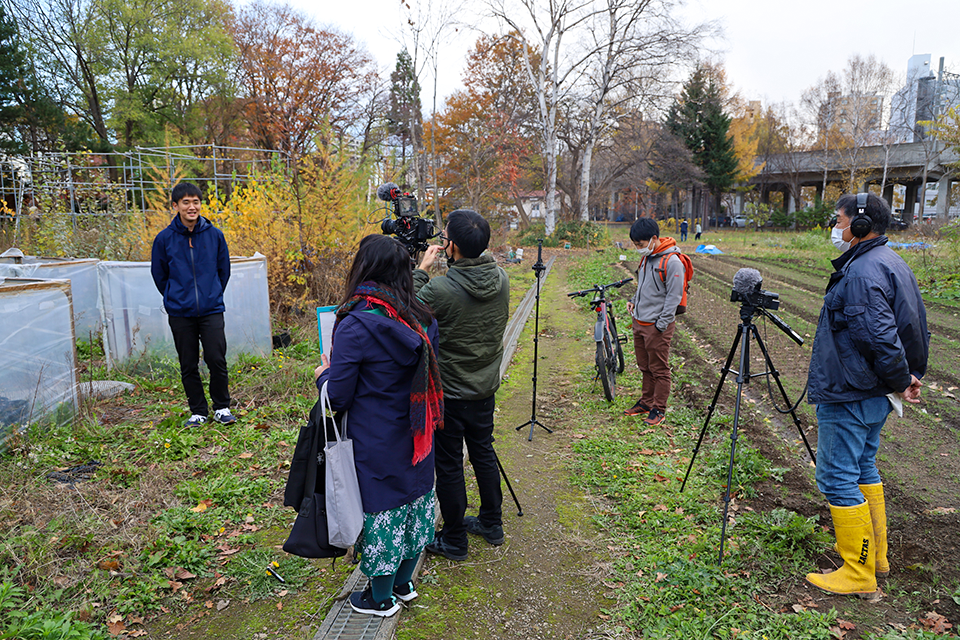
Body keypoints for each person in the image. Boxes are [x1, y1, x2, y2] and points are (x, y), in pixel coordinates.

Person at [805, 193, 928, 597]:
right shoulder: (891, 261)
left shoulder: (861, 272)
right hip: (873, 393)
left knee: (837, 477)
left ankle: (858, 574)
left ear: (859, 226)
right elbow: (914, 328)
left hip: (851, 392)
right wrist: (907, 376)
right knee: (863, 469)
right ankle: (876, 558)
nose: (834, 228)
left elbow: (879, 337)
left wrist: (898, 378)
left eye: (838, 220)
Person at [314, 234, 442, 617]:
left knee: (383, 510)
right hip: (418, 432)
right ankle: (404, 583)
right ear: (404, 271)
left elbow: (337, 398)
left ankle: (380, 597)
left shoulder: (354, 324)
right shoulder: (421, 317)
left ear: (364, 269)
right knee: (416, 501)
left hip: (376, 437)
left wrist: (324, 374)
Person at [413, 209, 510, 561]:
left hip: (451, 393)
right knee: (483, 450)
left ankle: (454, 539)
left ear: (451, 245)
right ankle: (492, 523)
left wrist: (421, 271)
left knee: (450, 463)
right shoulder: (502, 278)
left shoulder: (440, 288)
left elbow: (408, 309)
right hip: (485, 386)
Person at [151, 182, 236, 428]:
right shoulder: (164, 239)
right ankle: (198, 411)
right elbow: (160, 274)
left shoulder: (215, 235)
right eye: (186, 202)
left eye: (196, 201)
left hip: (211, 310)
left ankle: (222, 407)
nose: (192, 206)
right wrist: (173, 296)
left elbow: (224, 271)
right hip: (180, 313)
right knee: (188, 363)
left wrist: (212, 293)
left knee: (216, 359)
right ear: (175, 206)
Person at [623, 218, 685, 426]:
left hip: (657, 325)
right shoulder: (647, 259)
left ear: (654, 239)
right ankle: (646, 402)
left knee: (659, 368)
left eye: (640, 244)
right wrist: (633, 301)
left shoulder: (672, 262)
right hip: (639, 321)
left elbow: (674, 297)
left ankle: (659, 408)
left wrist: (661, 324)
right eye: (635, 245)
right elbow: (643, 287)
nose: (638, 249)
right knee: (644, 365)